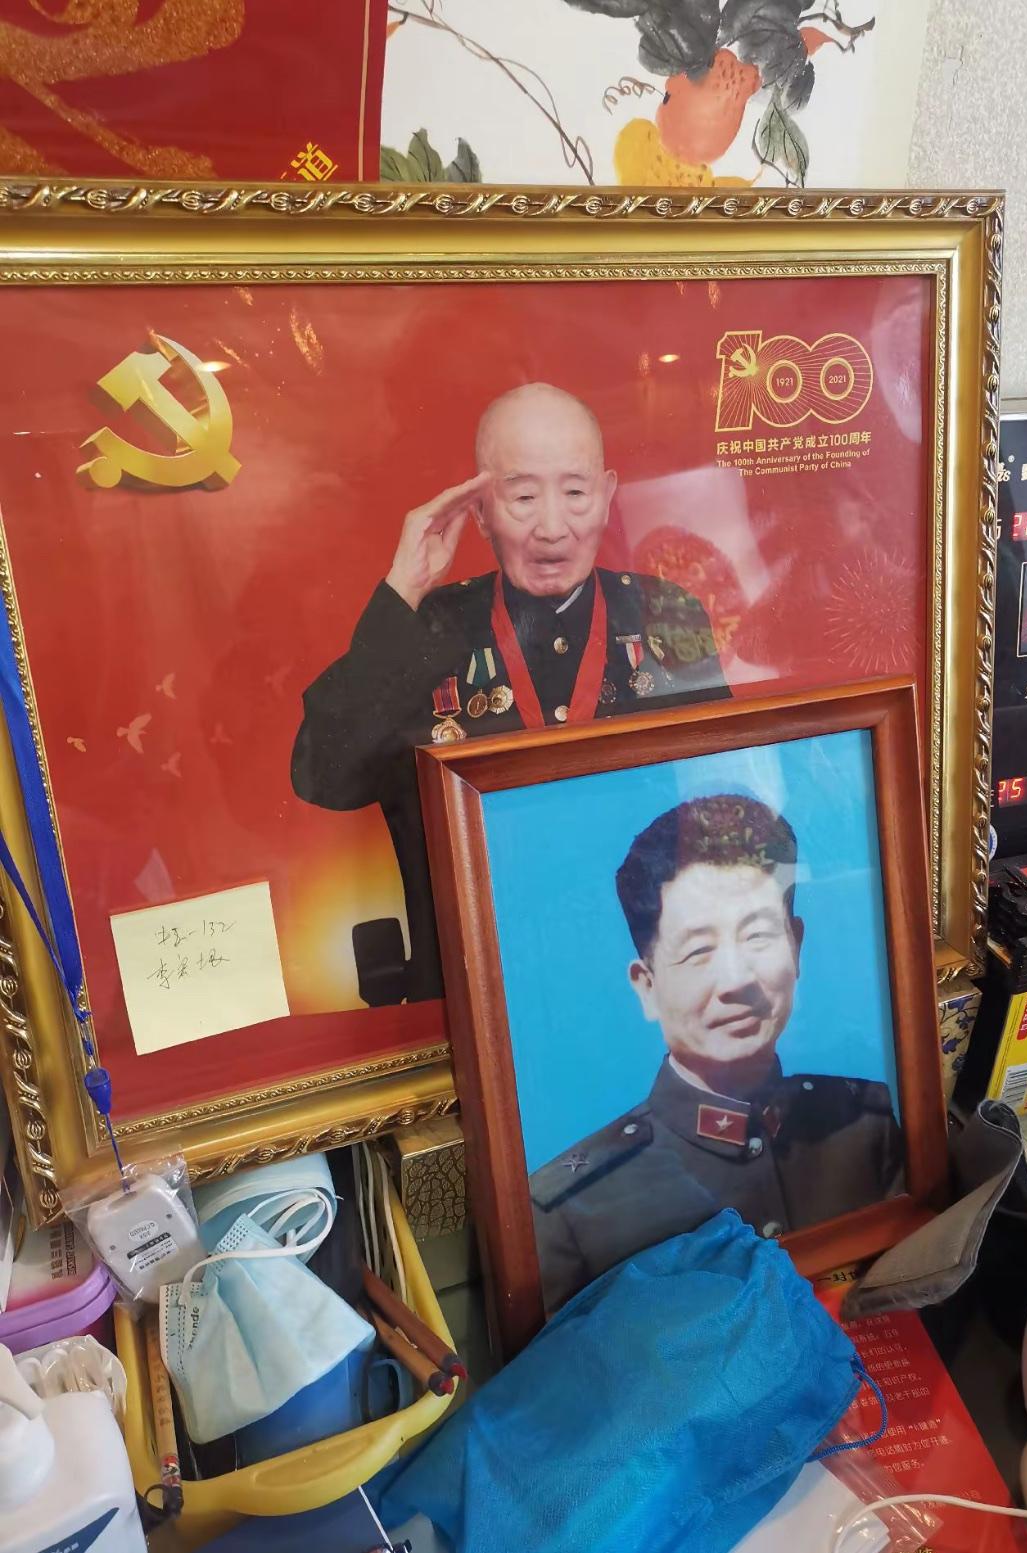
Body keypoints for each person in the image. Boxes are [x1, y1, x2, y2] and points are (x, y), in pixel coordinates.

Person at [292, 383, 729, 1004]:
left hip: (642, 978)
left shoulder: (665, 615)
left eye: (575, 493)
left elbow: (718, 798)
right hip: (477, 984)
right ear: (479, 511)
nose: (552, 528)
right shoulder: (426, 629)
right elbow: (323, 778)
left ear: (607, 496)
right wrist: (402, 590)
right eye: (523, 497)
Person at [529, 793, 904, 1312]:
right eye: (699, 951)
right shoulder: (571, 1211)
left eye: (758, 935)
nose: (735, 981)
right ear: (646, 986)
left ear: (796, 946)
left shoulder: (863, 1126)